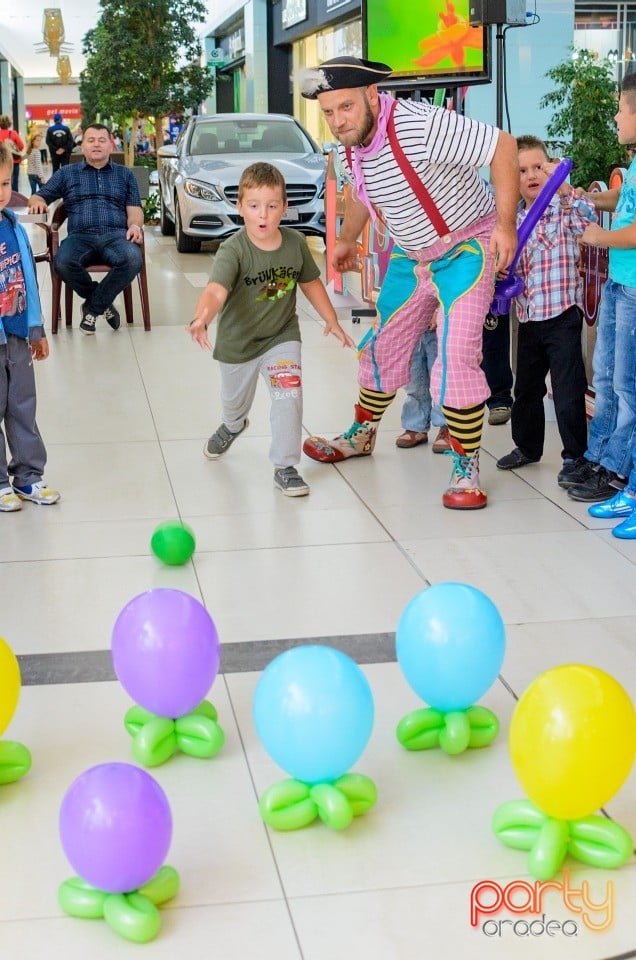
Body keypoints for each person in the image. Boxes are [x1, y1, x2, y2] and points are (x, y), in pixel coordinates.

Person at [296, 57, 518, 510]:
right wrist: (348, 238)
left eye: (346, 108)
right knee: (382, 343)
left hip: (466, 248)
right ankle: (361, 435)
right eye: (329, 112)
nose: (338, 121)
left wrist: (507, 226)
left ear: (372, 96)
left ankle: (465, 462)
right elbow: (362, 189)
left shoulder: (422, 126)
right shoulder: (349, 143)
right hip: (409, 253)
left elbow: (505, 147)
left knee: (456, 355)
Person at [187, 161, 354, 498]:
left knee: (288, 397)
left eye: (272, 205)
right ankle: (233, 425)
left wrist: (330, 319)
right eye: (253, 205)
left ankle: (285, 466)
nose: (263, 214)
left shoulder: (294, 244)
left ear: (284, 207)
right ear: (240, 207)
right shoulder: (233, 249)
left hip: (282, 337)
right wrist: (201, 318)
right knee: (234, 404)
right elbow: (215, 290)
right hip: (238, 343)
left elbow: (311, 284)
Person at [496, 135, 594, 486]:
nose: (531, 175)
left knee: (568, 390)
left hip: (563, 315)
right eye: (521, 170)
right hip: (528, 318)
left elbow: (588, 221)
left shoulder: (563, 210)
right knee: (525, 389)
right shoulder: (513, 222)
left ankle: (575, 457)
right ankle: (527, 447)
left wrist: (566, 190)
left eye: (539, 167)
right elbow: (507, 267)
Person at [564, 72, 636, 504]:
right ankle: (599, 455)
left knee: (627, 386)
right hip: (619, 283)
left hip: (633, 291)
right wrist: (585, 198)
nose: (615, 116)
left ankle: (616, 469)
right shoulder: (634, 164)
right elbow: (623, 199)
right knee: (605, 377)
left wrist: (599, 237)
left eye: (621, 108)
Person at [28, 123, 144, 335]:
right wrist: (37, 201)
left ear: (110, 145)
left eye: (102, 140)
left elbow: (134, 210)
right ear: (82, 146)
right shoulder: (67, 174)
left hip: (116, 235)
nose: (96, 145)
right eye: (91, 140)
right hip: (80, 237)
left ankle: (92, 308)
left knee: (133, 258)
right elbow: (39, 195)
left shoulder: (125, 175)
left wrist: (135, 226)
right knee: (62, 262)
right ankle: (102, 303)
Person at [0, 143, 60, 512]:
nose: (0, 192)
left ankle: (27, 476)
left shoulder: (13, 227)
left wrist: (36, 328)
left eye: (5, 183)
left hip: (18, 334)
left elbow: (28, 280)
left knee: (22, 405)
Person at [395, 325, 450, 452]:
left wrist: (437, 312)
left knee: (442, 380)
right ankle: (416, 424)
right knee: (414, 382)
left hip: (440, 324)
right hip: (410, 326)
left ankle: (448, 426)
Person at [0, 116, 25, 193]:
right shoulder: (13, 133)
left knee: (3, 180)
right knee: (15, 180)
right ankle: (14, 198)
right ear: (9, 124)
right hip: (14, 161)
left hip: (2, 161)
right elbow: (21, 146)